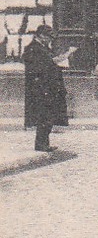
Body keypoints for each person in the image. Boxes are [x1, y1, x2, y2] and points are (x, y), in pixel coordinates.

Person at [23, 24, 69, 152]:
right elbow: (36, 68)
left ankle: (44, 143)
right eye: (48, 37)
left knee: (48, 116)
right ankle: (41, 144)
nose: (49, 40)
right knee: (43, 116)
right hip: (41, 89)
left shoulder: (42, 48)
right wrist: (54, 61)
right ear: (41, 36)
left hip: (48, 87)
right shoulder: (32, 48)